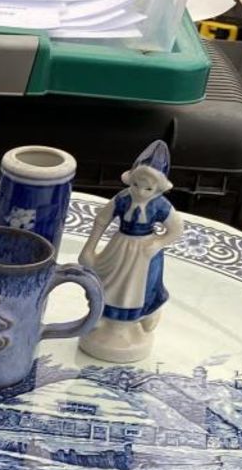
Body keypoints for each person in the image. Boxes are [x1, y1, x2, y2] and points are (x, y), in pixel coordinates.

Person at [79, 141, 185, 364]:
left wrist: (158, 243)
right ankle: (102, 315)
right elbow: (102, 220)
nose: (140, 191)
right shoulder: (123, 198)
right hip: (119, 246)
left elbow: (176, 229)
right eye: (136, 185)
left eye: (148, 188)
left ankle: (132, 323)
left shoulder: (161, 206)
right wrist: (89, 247)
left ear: (158, 188)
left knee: (136, 288)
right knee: (106, 279)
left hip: (144, 253)